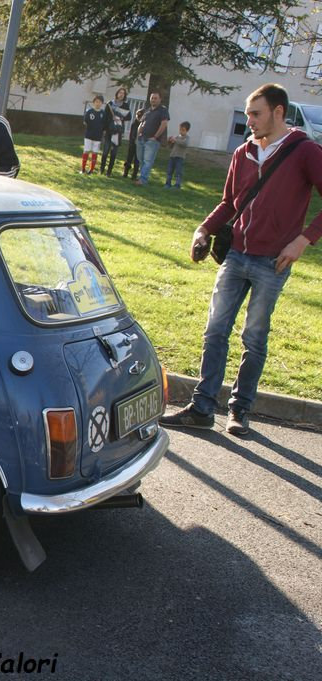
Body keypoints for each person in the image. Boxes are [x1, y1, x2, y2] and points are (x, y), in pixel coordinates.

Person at [160, 84, 322, 436]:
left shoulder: (305, 152)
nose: (248, 121)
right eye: (248, 114)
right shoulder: (243, 152)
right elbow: (230, 203)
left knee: (254, 337)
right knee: (215, 330)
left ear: (278, 112)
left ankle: (239, 409)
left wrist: (302, 241)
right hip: (235, 255)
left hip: (273, 262)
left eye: (255, 114)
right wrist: (203, 229)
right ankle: (202, 407)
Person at [134, 91, 169, 186]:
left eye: (155, 98)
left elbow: (164, 124)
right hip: (141, 139)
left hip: (152, 141)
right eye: (152, 98)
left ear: (160, 99)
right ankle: (142, 177)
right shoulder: (148, 110)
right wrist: (138, 136)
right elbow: (141, 123)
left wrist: (155, 137)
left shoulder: (163, 110)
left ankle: (143, 180)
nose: (153, 100)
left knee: (147, 161)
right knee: (141, 159)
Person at [100, 87, 131, 176]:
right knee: (105, 151)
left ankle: (109, 172)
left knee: (114, 153)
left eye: (123, 93)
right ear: (117, 93)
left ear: (124, 95)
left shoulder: (125, 105)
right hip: (109, 130)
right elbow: (105, 118)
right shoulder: (110, 103)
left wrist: (121, 117)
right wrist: (104, 130)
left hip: (118, 131)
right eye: (120, 92)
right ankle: (102, 170)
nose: (121, 94)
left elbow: (129, 117)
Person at [80, 95, 109, 174]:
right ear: (93, 102)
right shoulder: (89, 112)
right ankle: (82, 169)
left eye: (100, 102)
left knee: (95, 152)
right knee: (86, 151)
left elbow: (105, 125)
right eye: (96, 102)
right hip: (88, 135)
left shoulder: (103, 113)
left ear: (102, 103)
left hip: (98, 137)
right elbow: (85, 122)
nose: (98, 103)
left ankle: (91, 170)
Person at [121, 104, 145, 180]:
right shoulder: (134, 124)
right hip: (132, 144)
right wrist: (132, 141)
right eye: (138, 116)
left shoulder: (144, 125)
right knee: (129, 158)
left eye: (140, 117)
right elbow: (132, 134)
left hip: (139, 144)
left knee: (137, 160)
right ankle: (125, 172)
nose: (139, 118)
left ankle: (134, 174)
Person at [164, 121, 191, 189]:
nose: (181, 131)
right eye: (180, 129)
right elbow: (171, 146)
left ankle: (177, 185)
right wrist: (170, 141)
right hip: (172, 156)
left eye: (183, 130)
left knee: (178, 172)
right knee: (169, 171)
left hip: (180, 157)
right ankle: (168, 184)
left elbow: (184, 144)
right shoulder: (177, 137)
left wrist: (175, 141)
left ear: (187, 131)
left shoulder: (186, 138)